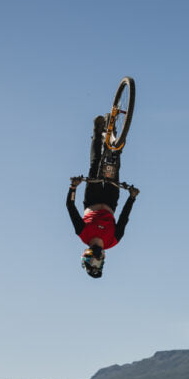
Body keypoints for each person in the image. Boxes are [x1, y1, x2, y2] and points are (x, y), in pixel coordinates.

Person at [66, 115, 139, 278]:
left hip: (92, 198)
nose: (98, 260)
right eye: (100, 264)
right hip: (110, 202)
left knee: (96, 164)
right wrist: (132, 198)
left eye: (94, 263)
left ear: (87, 257)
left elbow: (70, 207)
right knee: (114, 165)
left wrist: (73, 188)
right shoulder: (113, 240)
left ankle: (97, 132)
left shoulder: (83, 233)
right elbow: (124, 218)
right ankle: (116, 143)